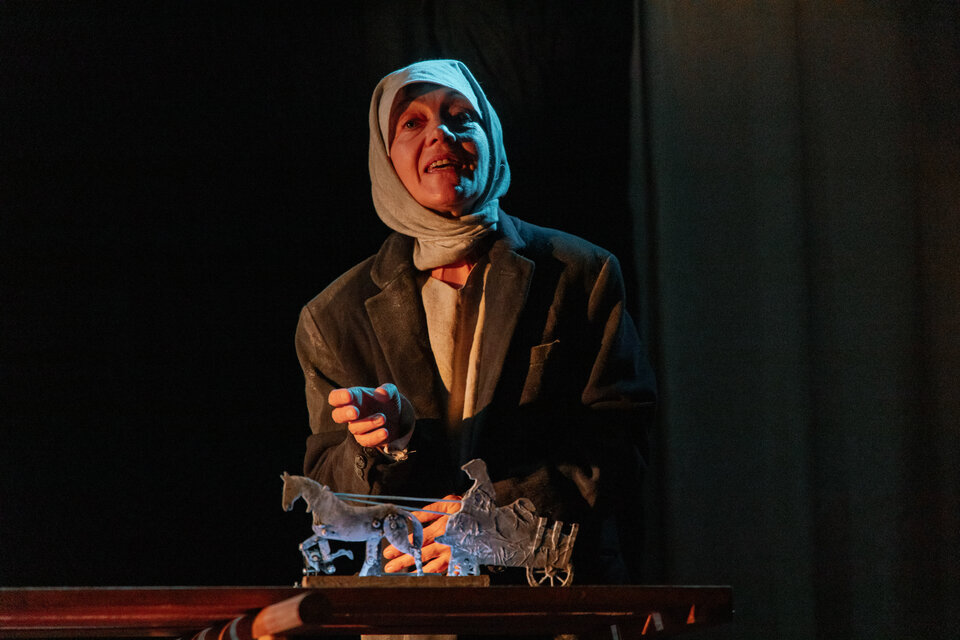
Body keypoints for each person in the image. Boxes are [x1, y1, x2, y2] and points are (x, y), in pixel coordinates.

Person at [295, 59, 656, 584]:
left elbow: (620, 444)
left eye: (461, 116)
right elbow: (327, 493)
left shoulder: (579, 274)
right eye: (411, 122)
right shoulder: (332, 316)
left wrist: (489, 525)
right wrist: (382, 444)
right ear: (385, 158)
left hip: (551, 600)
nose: (440, 133)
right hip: (411, 606)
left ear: (492, 137)